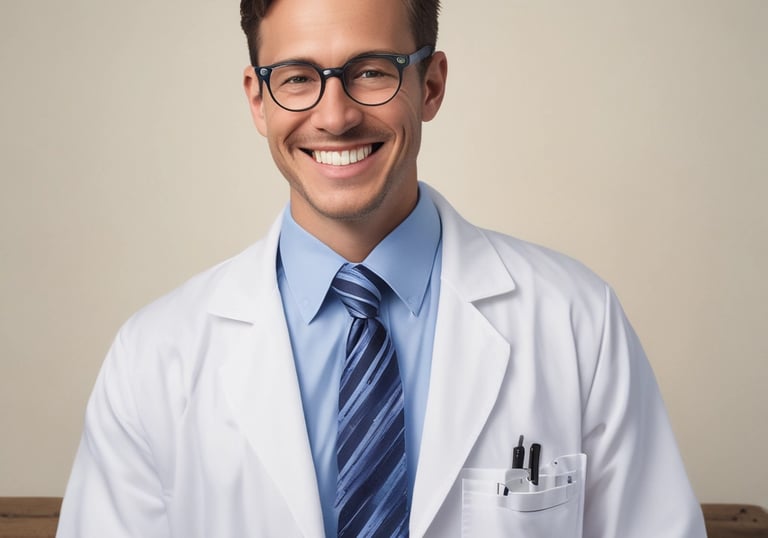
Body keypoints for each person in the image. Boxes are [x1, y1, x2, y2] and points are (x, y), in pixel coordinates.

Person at [57, 0, 708, 536]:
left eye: (371, 71)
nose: (335, 117)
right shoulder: (153, 356)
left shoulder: (576, 321)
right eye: (297, 77)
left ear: (431, 85)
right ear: (258, 100)